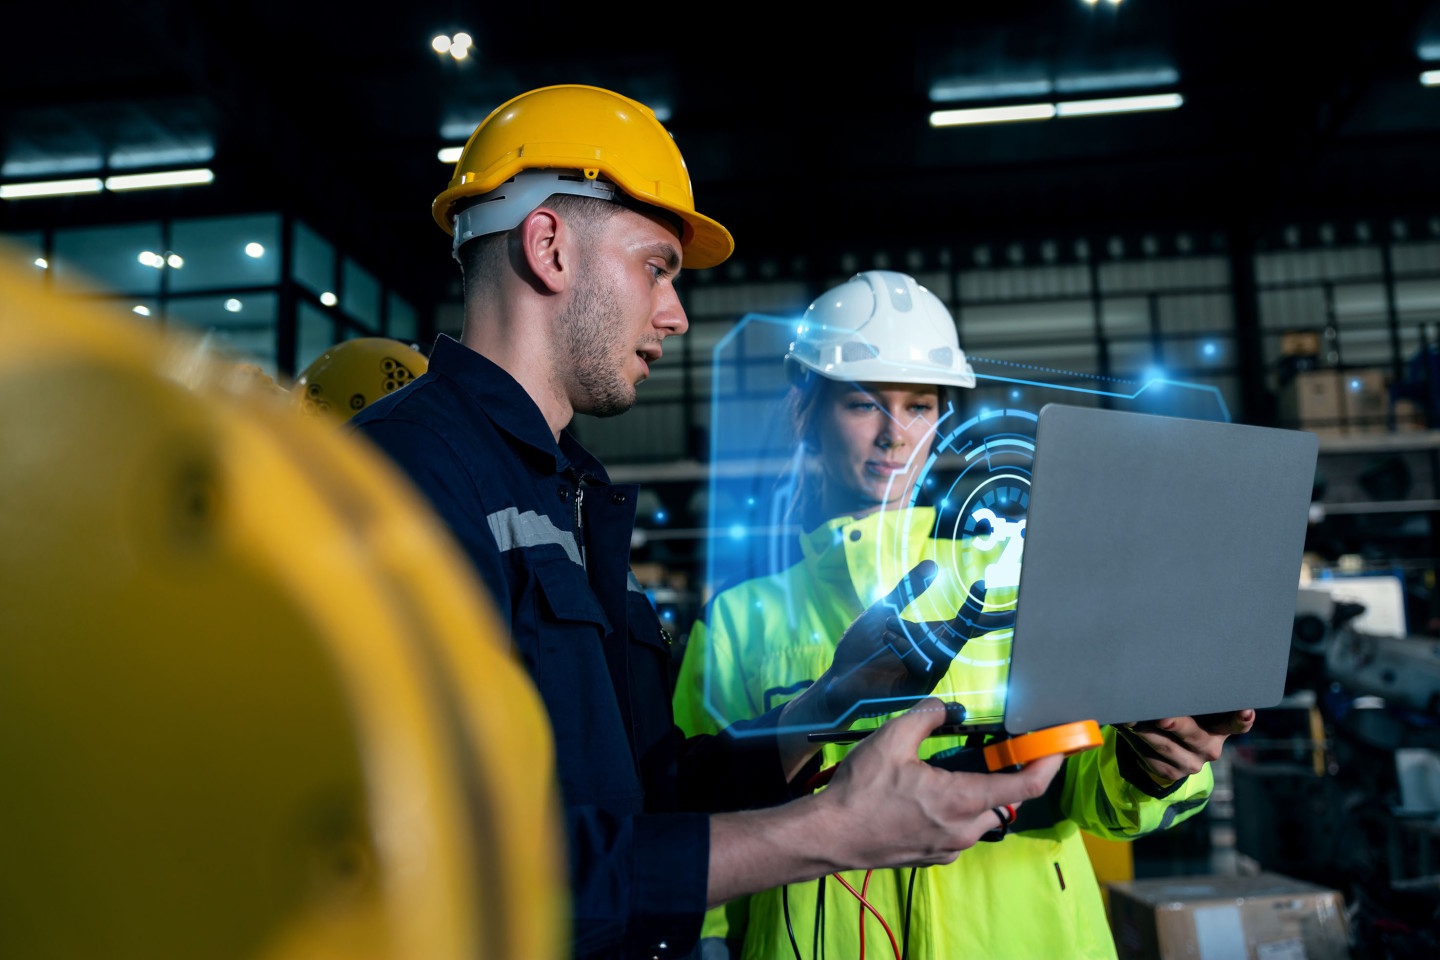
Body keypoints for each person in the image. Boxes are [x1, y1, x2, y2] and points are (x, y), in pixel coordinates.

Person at [349, 85, 1062, 959]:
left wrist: (828, 702)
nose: (676, 316)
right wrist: (831, 831)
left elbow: (648, 798)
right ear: (549, 248)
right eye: (656, 267)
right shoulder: (402, 480)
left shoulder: (568, 496)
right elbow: (447, 868)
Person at [673, 270, 1257, 960]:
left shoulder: (1020, 582)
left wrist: (1154, 766)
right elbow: (692, 818)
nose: (895, 436)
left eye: (918, 406)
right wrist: (704, 943)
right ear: (808, 414)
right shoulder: (739, 622)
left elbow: (1093, 793)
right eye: (864, 404)